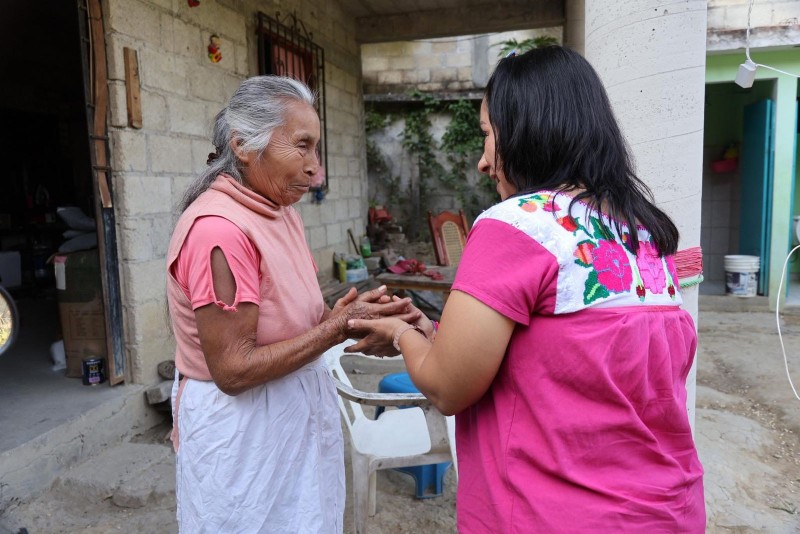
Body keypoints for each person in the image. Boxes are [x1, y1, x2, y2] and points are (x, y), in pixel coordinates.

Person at [346, 46, 705, 532]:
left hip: (556, 516)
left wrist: (399, 333)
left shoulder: (519, 226)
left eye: (487, 135)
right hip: (669, 509)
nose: (483, 161)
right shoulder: (642, 232)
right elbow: (566, 363)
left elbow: (448, 388)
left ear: (529, 130)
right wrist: (434, 333)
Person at [165, 75, 416, 533]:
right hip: (243, 432)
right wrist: (335, 329)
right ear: (243, 146)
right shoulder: (219, 229)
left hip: (289, 414)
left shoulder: (281, 213)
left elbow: (296, 320)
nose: (315, 169)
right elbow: (233, 370)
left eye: (316, 149)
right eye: (302, 146)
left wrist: (355, 321)